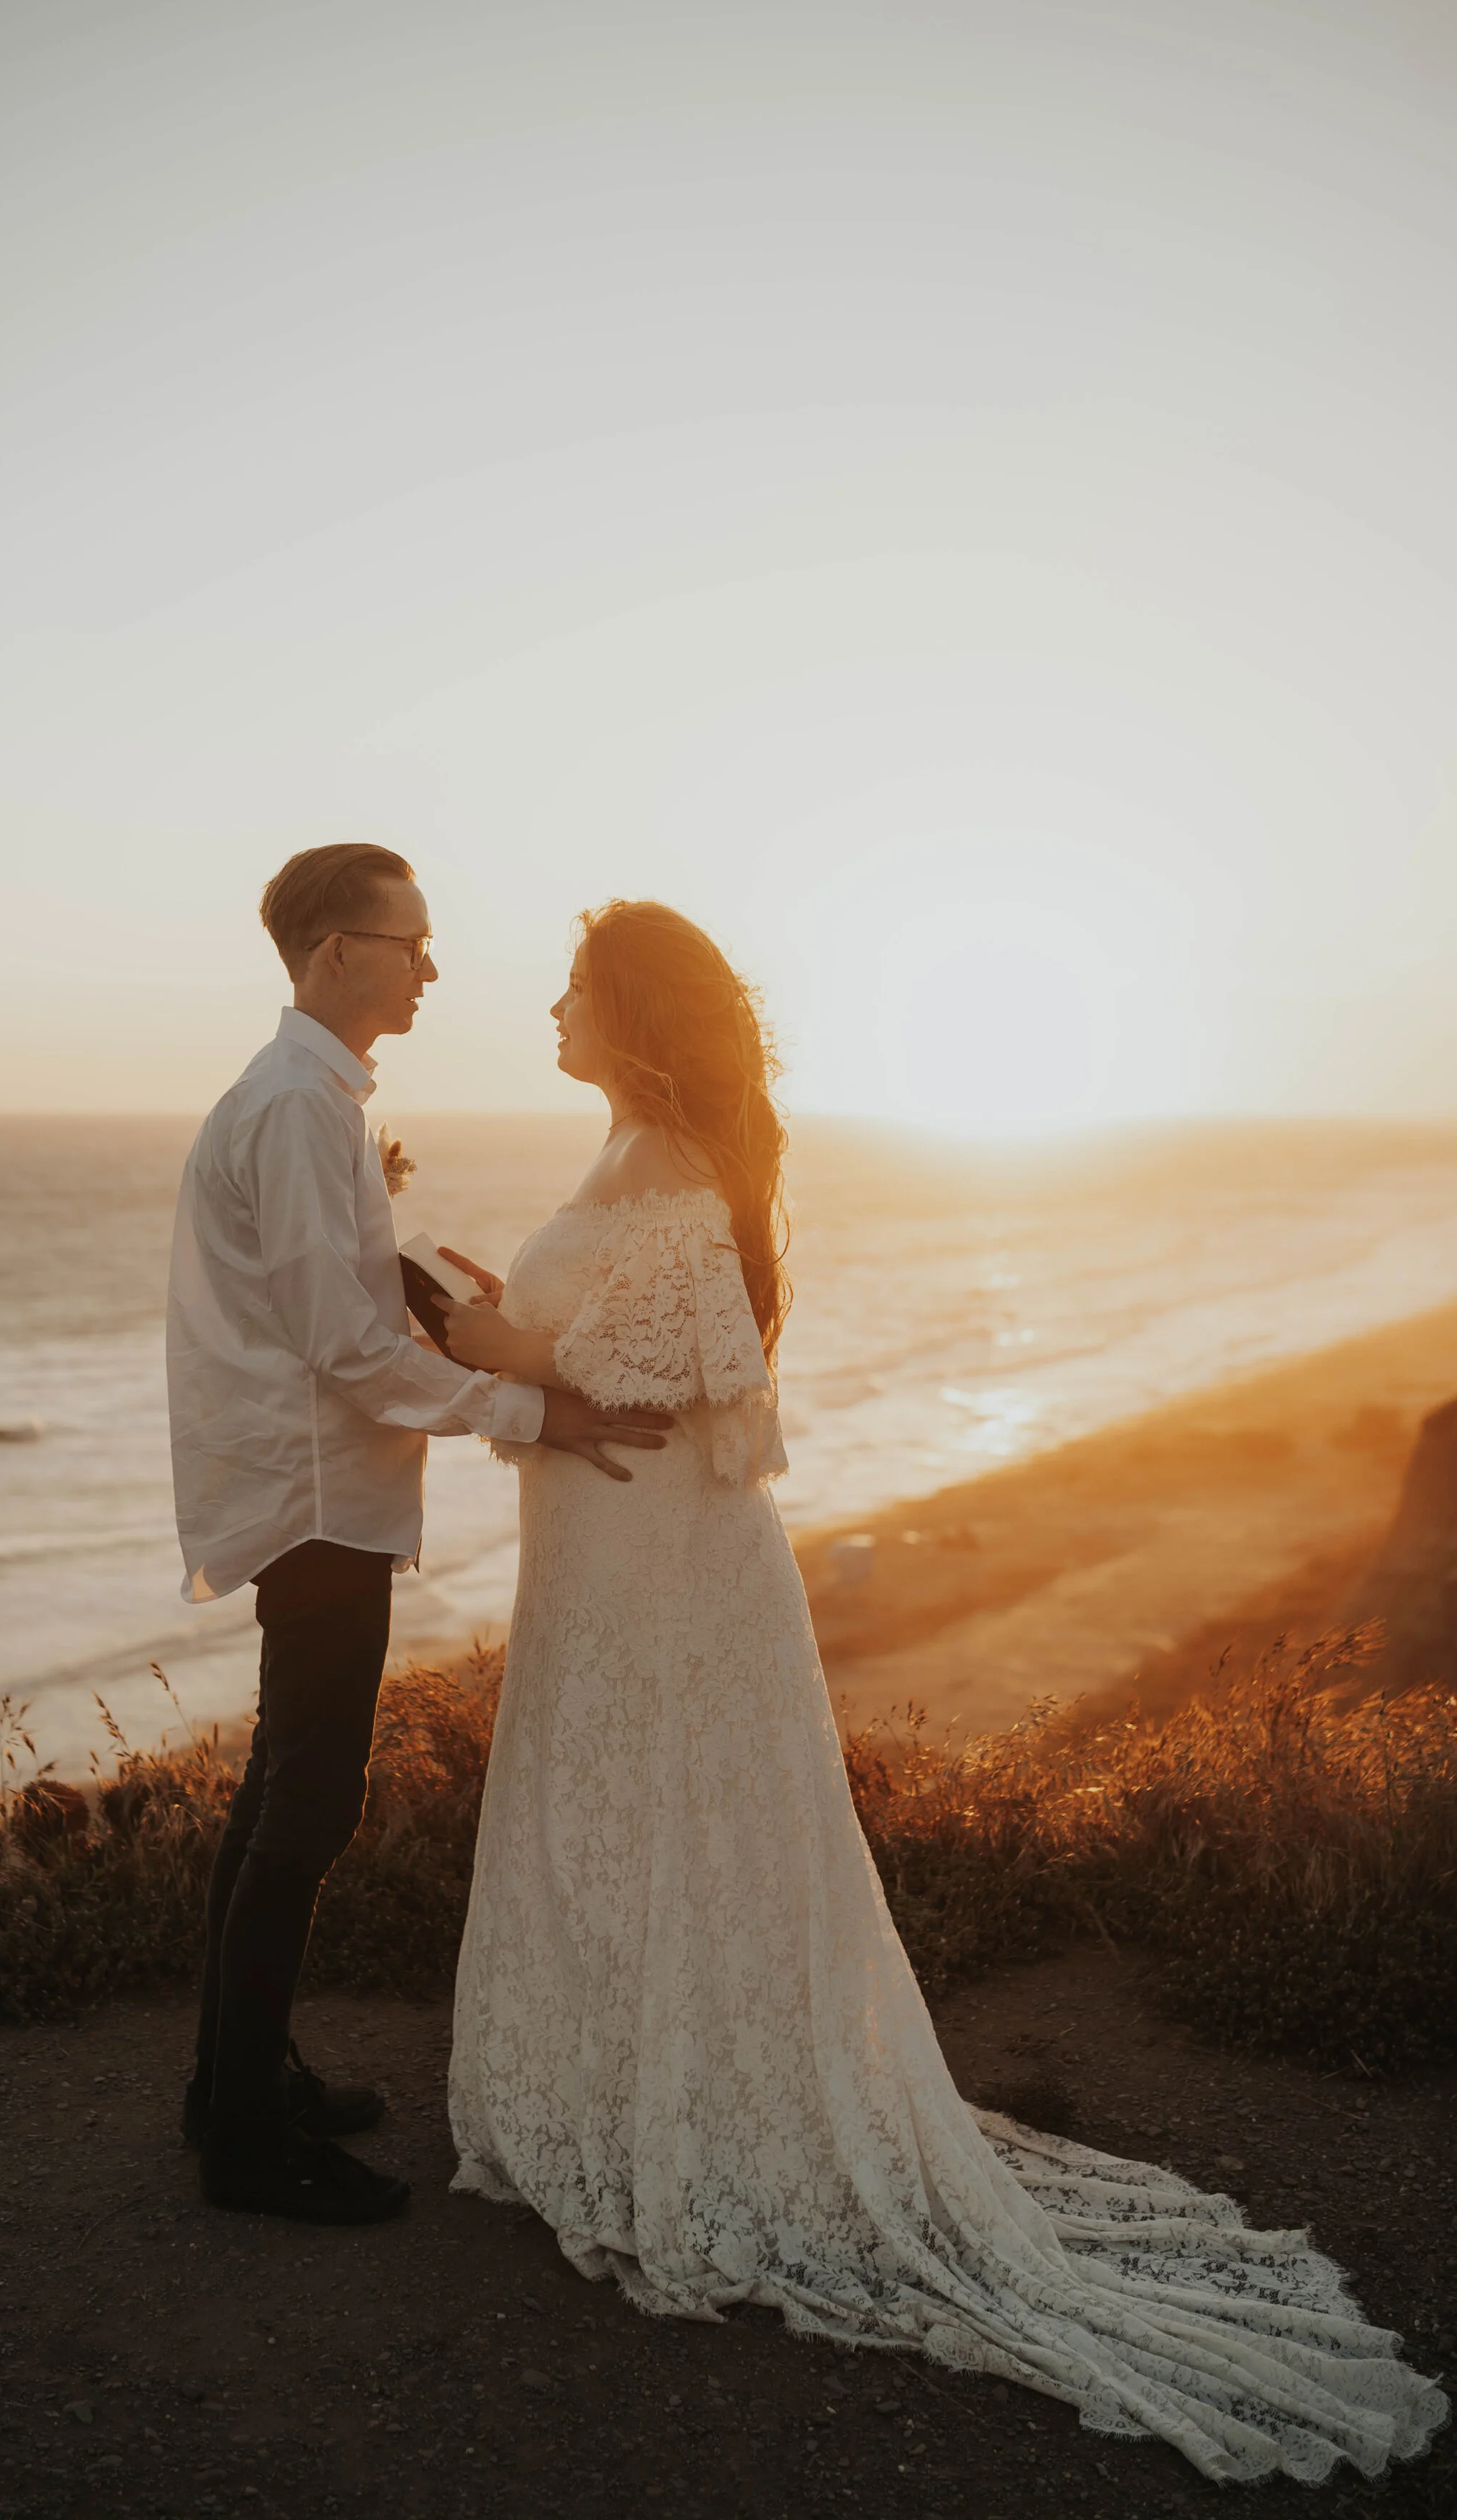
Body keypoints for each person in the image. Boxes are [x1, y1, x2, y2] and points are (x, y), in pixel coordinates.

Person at [438, 897, 1448, 2485]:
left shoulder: (674, 1180)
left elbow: (668, 1378)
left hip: (653, 1569)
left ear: (630, 1013)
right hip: (609, 1556)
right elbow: (612, 1353)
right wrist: (516, 1330)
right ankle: (634, 2091)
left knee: (671, 1823)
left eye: (570, 988)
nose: (547, 1009)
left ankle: (694, 2122)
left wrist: (469, 1325)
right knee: (614, 1817)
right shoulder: (635, 1163)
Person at [166, 845, 668, 2225]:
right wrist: (526, 1408)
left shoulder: (311, 1102)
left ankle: (236, 2082)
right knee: (309, 1805)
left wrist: (429, 1281)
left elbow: (337, 1296)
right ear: (338, 953)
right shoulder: (294, 1109)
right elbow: (340, 1347)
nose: (432, 968)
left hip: (311, 1486)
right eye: (412, 942)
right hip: (316, 1496)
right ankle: (249, 2149)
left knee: (280, 1791)